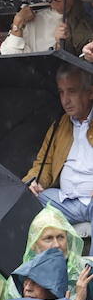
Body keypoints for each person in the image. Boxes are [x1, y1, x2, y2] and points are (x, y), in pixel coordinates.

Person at [27, 67, 93, 225]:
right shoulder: (60, 124)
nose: (65, 100)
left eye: (71, 91)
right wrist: (33, 182)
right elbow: (44, 163)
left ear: (90, 93)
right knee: (27, 200)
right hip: (64, 201)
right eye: (61, 92)